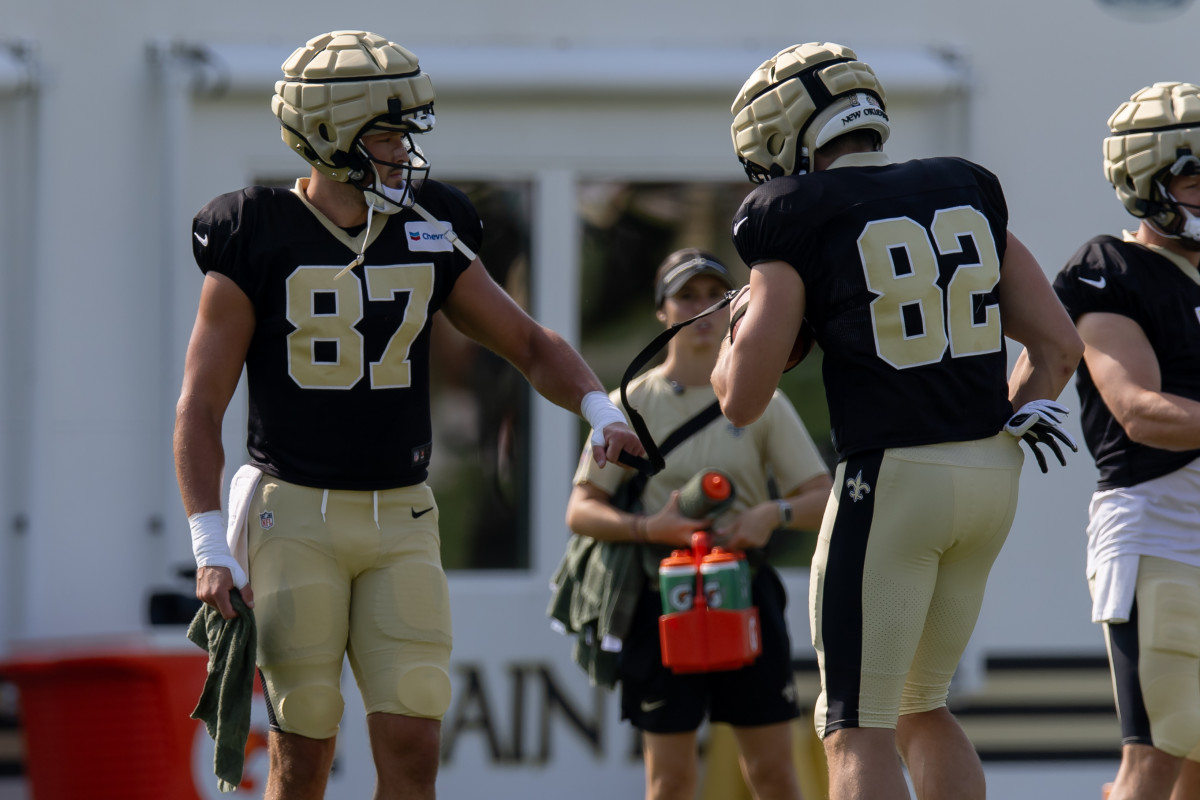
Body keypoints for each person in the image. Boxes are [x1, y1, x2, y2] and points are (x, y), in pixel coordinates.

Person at [172, 30, 642, 800]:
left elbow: (524, 339)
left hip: (403, 516)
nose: (403, 151)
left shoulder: (430, 223)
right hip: (294, 517)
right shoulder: (253, 231)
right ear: (329, 135)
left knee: (416, 737)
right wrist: (206, 544)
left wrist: (598, 405)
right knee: (304, 745)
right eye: (387, 133)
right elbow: (201, 404)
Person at [712, 42, 1084, 800]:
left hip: (891, 482)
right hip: (990, 471)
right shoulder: (965, 185)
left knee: (854, 724)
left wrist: (745, 321)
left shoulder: (788, 211)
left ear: (786, 136)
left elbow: (740, 399)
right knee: (921, 704)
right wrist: (1013, 410)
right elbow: (1058, 345)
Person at [564, 248, 834, 800]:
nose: (702, 309)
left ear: (736, 311)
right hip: (662, 597)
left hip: (743, 593)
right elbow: (580, 510)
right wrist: (650, 529)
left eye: (716, 296)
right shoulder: (629, 403)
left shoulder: (760, 399)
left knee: (773, 774)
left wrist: (770, 515)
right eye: (686, 295)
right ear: (662, 310)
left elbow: (822, 497)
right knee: (670, 781)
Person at [1051, 81, 1200, 800]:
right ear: (1148, 183)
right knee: (1156, 759)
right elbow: (1141, 411)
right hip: (1160, 535)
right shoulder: (1108, 270)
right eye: (1195, 176)